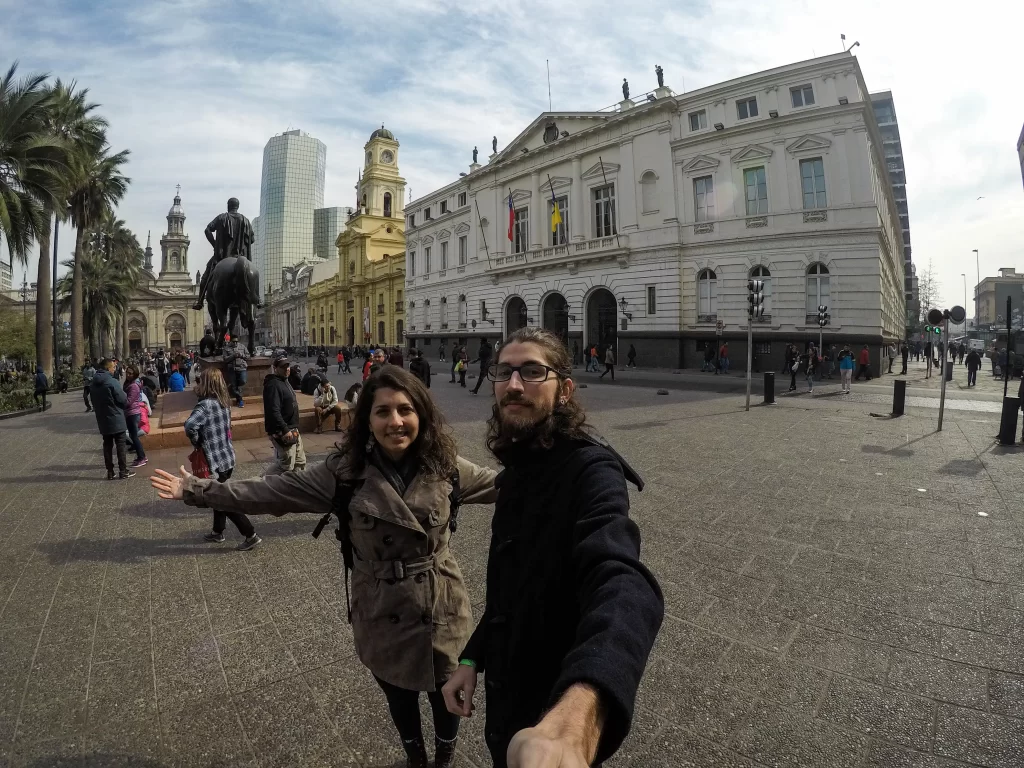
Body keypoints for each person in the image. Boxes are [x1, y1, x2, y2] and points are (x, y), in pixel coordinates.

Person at [150, 365, 499, 768]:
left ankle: (444, 757)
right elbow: (272, 492)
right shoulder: (344, 473)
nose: (396, 421)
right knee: (398, 696)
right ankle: (416, 759)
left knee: (447, 695)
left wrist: (570, 467)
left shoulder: (447, 467)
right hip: (379, 608)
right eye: (383, 411)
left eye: (406, 409)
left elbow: (508, 486)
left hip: (441, 608)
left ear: (421, 414)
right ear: (367, 418)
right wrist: (199, 489)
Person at [440, 327, 663, 768]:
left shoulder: (591, 470)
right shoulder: (519, 465)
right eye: (504, 372)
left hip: (551, 723)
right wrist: (472, 656)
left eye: (532, 372)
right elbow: (514, 590)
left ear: (565, 390)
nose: (515, 384)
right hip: (506, 710)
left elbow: (620, 578)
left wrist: (580, 712)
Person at [184, 368, 261, 551]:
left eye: (201, 381)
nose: (198, 384)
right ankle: (218, 532)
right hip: (227, 457)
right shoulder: (224, 402)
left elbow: (189, 426)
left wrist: (197, 442)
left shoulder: (205, 406)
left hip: (214, 460)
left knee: (222, 499)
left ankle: (250, 534)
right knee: (218, 495)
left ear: (207, 383)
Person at [90, 359, 134, 480]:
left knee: (107, 445)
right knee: (120, 444)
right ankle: (123, 471)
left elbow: (93, 401)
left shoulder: (93, 383)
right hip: (116, 417)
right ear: (108, 368)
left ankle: (110, 472)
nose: (115, 369)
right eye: (113, 367)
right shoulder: (112, 382)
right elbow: (123, 399)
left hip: (102, 419)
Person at [263, 356, 306, 473]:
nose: (287, 369)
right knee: (285, 466)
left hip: (293, 428)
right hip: (283, 430)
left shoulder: (284, 381)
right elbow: (273, 411)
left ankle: (296, 487)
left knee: (300, 462)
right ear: (275, 368)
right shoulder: (273, 385)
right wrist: (284, 429)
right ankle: (263, 482)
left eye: (287, 366)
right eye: (283, 367)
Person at [123, 365, 149, 468]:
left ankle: (141, 457)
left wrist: (120, 400)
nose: (128, 375)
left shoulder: (133, 386)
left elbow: (129, 402)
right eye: (127, 373)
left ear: (135, 374)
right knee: (133, 436)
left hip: (133, 413)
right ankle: (141, 456)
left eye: (131, 373)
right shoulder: (129, 384)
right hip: (130, 413)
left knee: (134, 437)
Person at [223, 340, 249, 407]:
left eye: (236, 341)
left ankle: (236, 390)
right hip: (232, 369)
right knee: (234, 386)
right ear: (230, 341)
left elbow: (248, 356)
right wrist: (233, 356)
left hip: (241, 367)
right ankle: (240, 400)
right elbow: (225, 359)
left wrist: (241, 355)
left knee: (243, 381)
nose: (235, 343)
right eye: (233, 342)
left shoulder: (242, 346)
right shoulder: (226, 348)